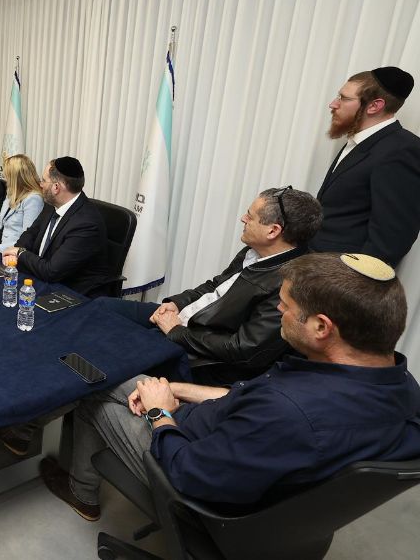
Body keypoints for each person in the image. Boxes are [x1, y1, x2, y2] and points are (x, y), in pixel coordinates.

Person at [40, 252, 420, 522]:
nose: (278, 312)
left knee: (95, 390)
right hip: (232, 442)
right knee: (122, 379)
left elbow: (187, 472)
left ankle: (81, 492)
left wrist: (159, 414)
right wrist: (178, 389)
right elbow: (252, 400)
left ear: (321, 327)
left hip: (187, 475)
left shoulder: (288, 412)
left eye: (285, 306)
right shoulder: (400, 386)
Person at [91, 187, 322, 385]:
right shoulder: (254, 252)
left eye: (250, 216)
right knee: (100, 308)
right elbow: (216, 285)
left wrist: (177, 332)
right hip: (187, 321)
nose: (243, 219)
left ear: (273, 231)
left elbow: (244, 350)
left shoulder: (292, 284)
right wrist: (177, 303)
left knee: (108, 348)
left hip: (201, 354)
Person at [310, 66, 420, 267]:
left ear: (374, 106)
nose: (333, 104)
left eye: (344, 98)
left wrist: (351, 281)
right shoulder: (361, 140)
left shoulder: (401, 149)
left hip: (340, 276)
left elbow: (391, 239)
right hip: (316, 264)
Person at [2, 156, 110, 296]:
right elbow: (30, 233)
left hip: (71, 293)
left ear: (56, 187)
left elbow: (51, 271)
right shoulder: (52, 205)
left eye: (43, 180)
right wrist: (14, 253)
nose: (40, 184)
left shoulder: (86, 224)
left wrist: (20, 253)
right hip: (41, 277)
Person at [0, 154, 44, 251]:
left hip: (14, 252)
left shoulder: (33, 199)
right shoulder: (11, 192)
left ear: (16, 178)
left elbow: (27, 238)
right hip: (1, 246)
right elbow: (0, 221)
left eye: (7, 175)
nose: (5, 178)